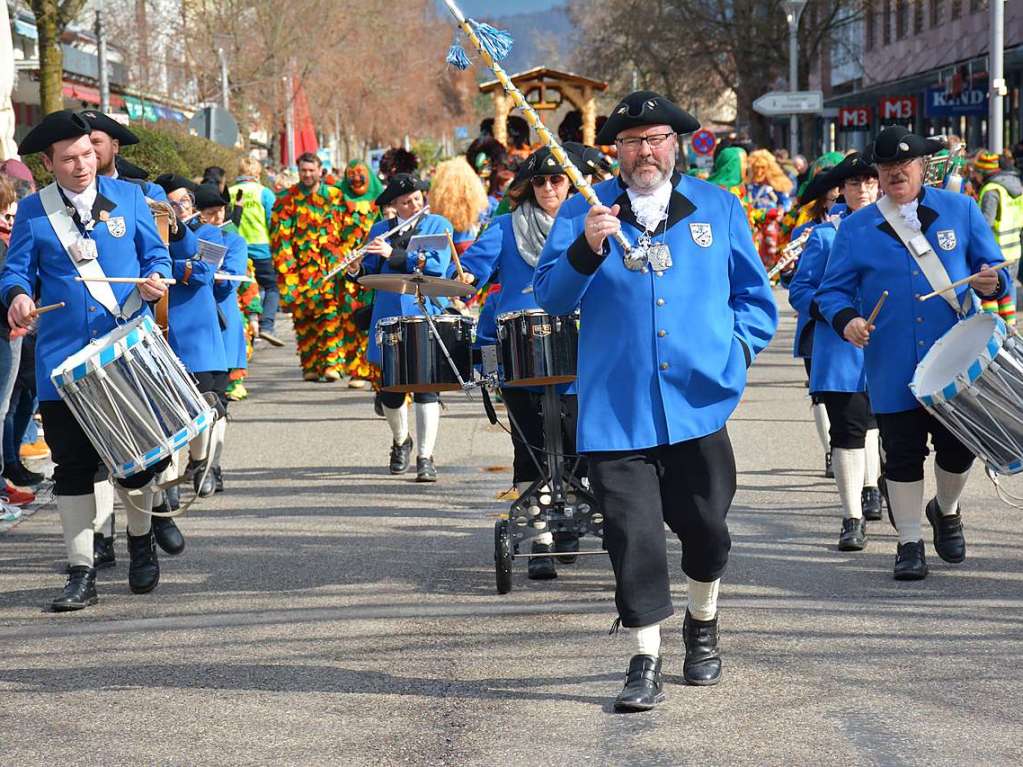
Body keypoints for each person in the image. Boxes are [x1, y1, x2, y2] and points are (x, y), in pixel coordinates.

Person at [534, 91, 777, 711]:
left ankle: (702, 622)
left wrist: (736, 355)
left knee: (708, 531)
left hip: (698, 405)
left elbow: (755, 299)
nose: (647, 150)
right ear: (616, 150)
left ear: (677, 146)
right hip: (616, 411)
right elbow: (553, 300)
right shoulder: (584, 214)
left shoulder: (718, 208)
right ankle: (645, 656)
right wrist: (586, 249)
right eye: (634, 140)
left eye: (658, 138)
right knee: (632, 536)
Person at [816, 126, 1006, 581]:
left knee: (958, 451)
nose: (895, 174)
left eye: (904, 167)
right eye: (886, 169)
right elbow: (831, 293)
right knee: (901, 454)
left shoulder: (960, 210)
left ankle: (946, 509)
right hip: (892, 362)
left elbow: (996, 270)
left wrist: (991, 282)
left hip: (955, 362)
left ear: (923, 167)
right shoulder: (857, 226)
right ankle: (909, 543)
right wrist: (849, 322)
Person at [0, 110, 171, 611]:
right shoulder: (34, 212)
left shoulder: (133, 199)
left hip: (124, 352)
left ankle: (141, 542)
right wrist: (16, 296)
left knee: (138, 463)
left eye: (88, 154)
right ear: (50, 163)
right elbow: (16, 273)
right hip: (63, 361)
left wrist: (155, 277)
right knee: (72, 467)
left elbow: (155, 256)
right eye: (70, 159)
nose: (83, 165)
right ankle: (81, 572)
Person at [458, 145, 588, 579]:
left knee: (577, 445)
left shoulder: (588, 223)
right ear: (527, 187)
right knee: (529, 448)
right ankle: (541, 540)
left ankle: (572, 516)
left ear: (570, 183)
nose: (549, 187)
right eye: (539, 181)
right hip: (520, 350)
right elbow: (472, 271)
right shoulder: (504, 227)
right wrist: (459, 279)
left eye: (557, 179)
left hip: (582, 350)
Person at [787, 153, 883, 550]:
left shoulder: (899, 230)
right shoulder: (825, 235)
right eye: (854, 183)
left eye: (869, 182)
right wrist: (837, 316)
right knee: (847, 431)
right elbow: (800, 292)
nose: (862, 189)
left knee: (881, 426)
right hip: (841, 347)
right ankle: (851, 517)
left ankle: (874, 488)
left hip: (888, 348)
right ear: (841, 190)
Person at [345, 174, 453, 482]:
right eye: (406, 202)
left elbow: (435, 265)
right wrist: (356, 268)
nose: (414, 204)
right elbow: (370, 272)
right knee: (391, 392)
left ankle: (425, 456)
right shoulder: (380, 230)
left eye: (418, 198)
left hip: (424, 311)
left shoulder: (436, 224)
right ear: (394, 205)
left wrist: (395, 254)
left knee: (425, 388)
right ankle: (401, 440)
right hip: (388, 313)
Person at [271, 152, 366, 382]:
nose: (307, 174)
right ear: (298, 171)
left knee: (331, 314)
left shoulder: (335, 196)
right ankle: (310, 365)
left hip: (332, 269)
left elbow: (349, 227)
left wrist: (347, 258)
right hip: (299, 269)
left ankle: (332, 364)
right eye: (303, 170)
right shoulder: (286, 199)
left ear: (320, 170)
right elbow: (280, 239)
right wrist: (288, 270)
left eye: (311, 170)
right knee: (304, 318)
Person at [333, 160, 382, 387]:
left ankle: (374, 367)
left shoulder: (380, 203)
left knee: (373, 317)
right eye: (351, 174)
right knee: (351, 320)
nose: (356, 178)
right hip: (348, 269)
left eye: (360, 174)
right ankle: (355, 369)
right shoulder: (338, 202)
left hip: (374, 267)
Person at [228, 157, 284, 346]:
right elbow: (273, 221)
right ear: (258, 174)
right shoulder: (265, 193)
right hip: (261, 248)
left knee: (241, 290)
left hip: (237, 249)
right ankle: (266, 325)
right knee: (271, 287)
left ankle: (244, 331)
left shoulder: (230, 192)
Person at [971, 150, 1021, 326]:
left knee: (990, 288)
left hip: (996, 248)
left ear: (983, 172)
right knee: (1009, 287)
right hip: (1014, 245)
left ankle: (995, 328)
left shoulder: (992, 190)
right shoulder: (1015, 185)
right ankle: (1011, 327)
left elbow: (985, 222)